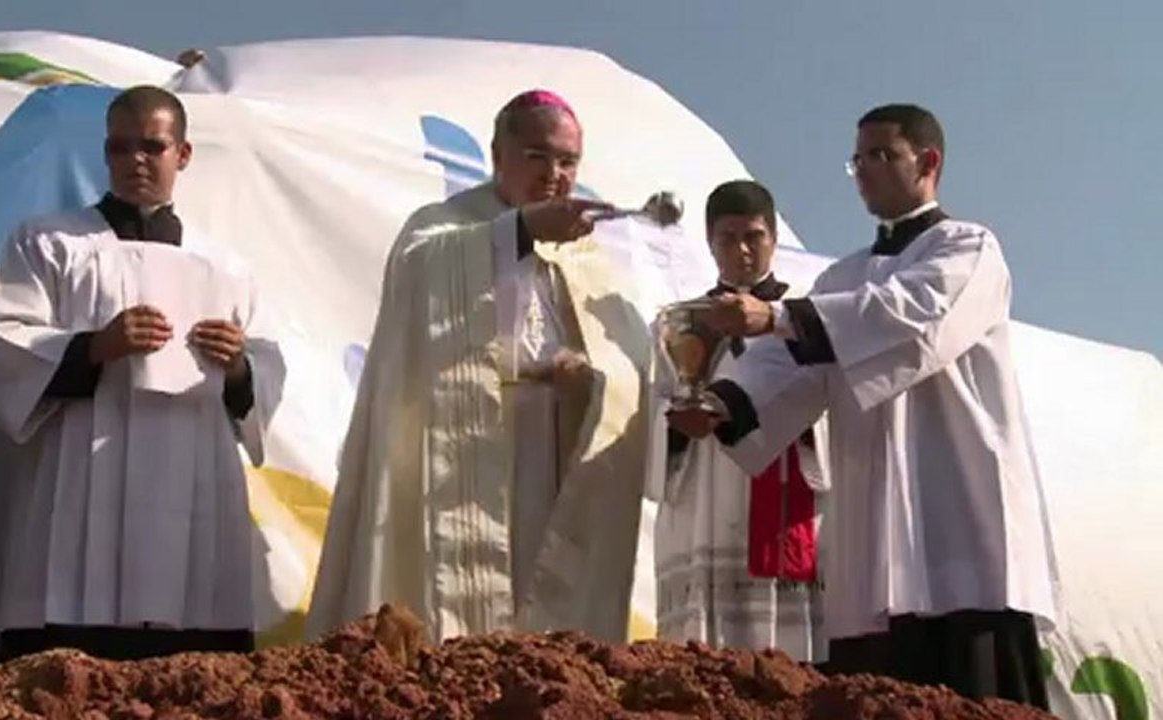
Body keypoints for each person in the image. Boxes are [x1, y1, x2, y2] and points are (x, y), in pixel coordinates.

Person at [672, 103, 1059, 709]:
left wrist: (776, 316)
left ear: (928, 162)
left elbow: (910, 318)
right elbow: (794, 364)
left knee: (977, 690)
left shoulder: (968, 249)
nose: (864, 171)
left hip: (960, 512)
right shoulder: (840, 278)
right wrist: (721, 403)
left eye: (881, 155)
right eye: (857, 159)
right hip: (876, 530)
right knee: (878, 689)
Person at [306, 89, 652, 643]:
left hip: (552, 443)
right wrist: (520, 232)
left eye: (568, 161)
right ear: (498, 154)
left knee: (540, 600)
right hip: (466, 439)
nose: (554, 174)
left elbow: (628, 360)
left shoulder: (586, 252)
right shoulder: (442, 226)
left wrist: (589, 378)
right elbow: (421, 279)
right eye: (537, 155)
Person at [0, 86, 285, 663]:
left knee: (194, 657)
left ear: (182, 154)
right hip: (85, 465)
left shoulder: (224, 266)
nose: (136, 159)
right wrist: (93, 346)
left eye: (152, 146)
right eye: (120, 147)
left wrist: (239, 365)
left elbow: (267, 365)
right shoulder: (50, 243)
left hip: (194, 469)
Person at [650, 180, 827, 660]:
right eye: (728, 238)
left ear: (773, 237)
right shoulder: (683, 322)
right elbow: (659, 401)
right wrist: (675, 428)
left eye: (754, 236)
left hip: (785, 480)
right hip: (706, 485)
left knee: (786, 654)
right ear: (710, 243)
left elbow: (826, 397)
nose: (742, 250)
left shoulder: (807, 318)